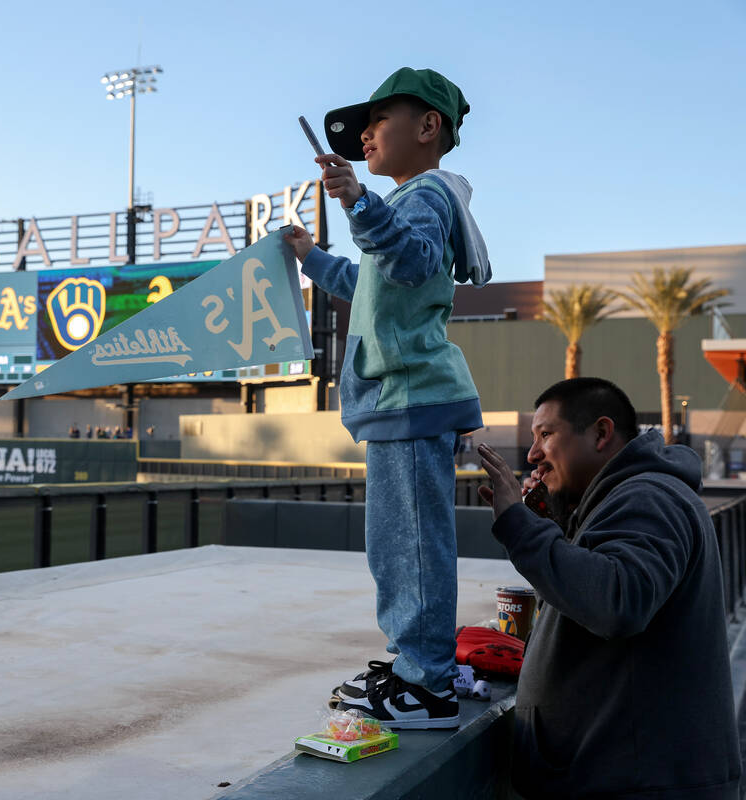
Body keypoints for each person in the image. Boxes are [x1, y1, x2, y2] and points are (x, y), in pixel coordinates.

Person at [285, 67, 491, 729]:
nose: (365, 135)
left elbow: (406, 260)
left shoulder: (425, 195)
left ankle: (426, 687)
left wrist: (354, 203)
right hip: (400, 402)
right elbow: (372, 280)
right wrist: (313, 256)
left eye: (379, 121)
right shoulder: (410, 199)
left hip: (410, 399)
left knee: (411, 549)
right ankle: (411, 667)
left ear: (428, 127)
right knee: (395, 548)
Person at [477, 377, 740, 799]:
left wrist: (520, 527)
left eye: (546, 434)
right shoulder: (619, 501)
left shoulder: (648, 497)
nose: (532, 454)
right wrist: (553, 526)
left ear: (601, 433)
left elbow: (618, 602)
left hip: (637, 783)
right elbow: (587, 603)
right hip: (621, 776)